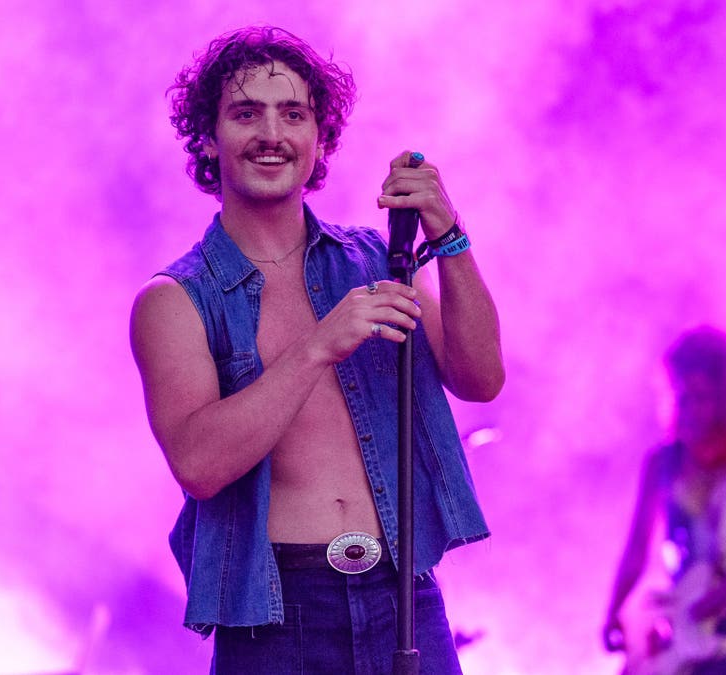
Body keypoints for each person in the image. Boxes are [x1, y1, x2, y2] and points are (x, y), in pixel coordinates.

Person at [129, 25, 504, 674]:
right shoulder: (173, 298)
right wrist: (317, 345)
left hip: (404, 598)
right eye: (246, 113)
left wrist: (450, 236)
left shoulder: (375, 260)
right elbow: (199, 463)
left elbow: (482, 378)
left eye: (293, 114)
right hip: (277, 618)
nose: (271, 133)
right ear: (209, 137)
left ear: (319, 138)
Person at [601, 326, 726, 674]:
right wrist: (614, 609)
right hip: (688, 624)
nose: (691, 407)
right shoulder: (662, 464)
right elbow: (637, 548)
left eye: (702, 396)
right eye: (682, 396)